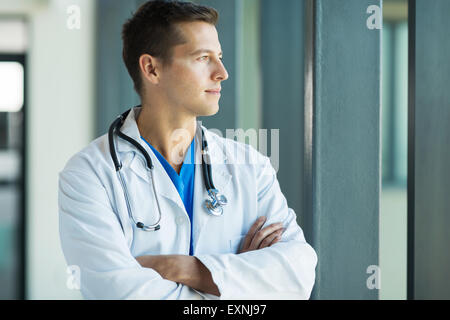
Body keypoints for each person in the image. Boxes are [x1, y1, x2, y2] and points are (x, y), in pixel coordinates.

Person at [58, 0, 317, 300]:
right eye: (203, 57)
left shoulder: (251, 167)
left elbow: (298, 274)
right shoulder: (89, 176)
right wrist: (235, 282)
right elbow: (120, 294)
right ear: (152, 69)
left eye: (219, 57)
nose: (222, 72)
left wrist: (188, 268)